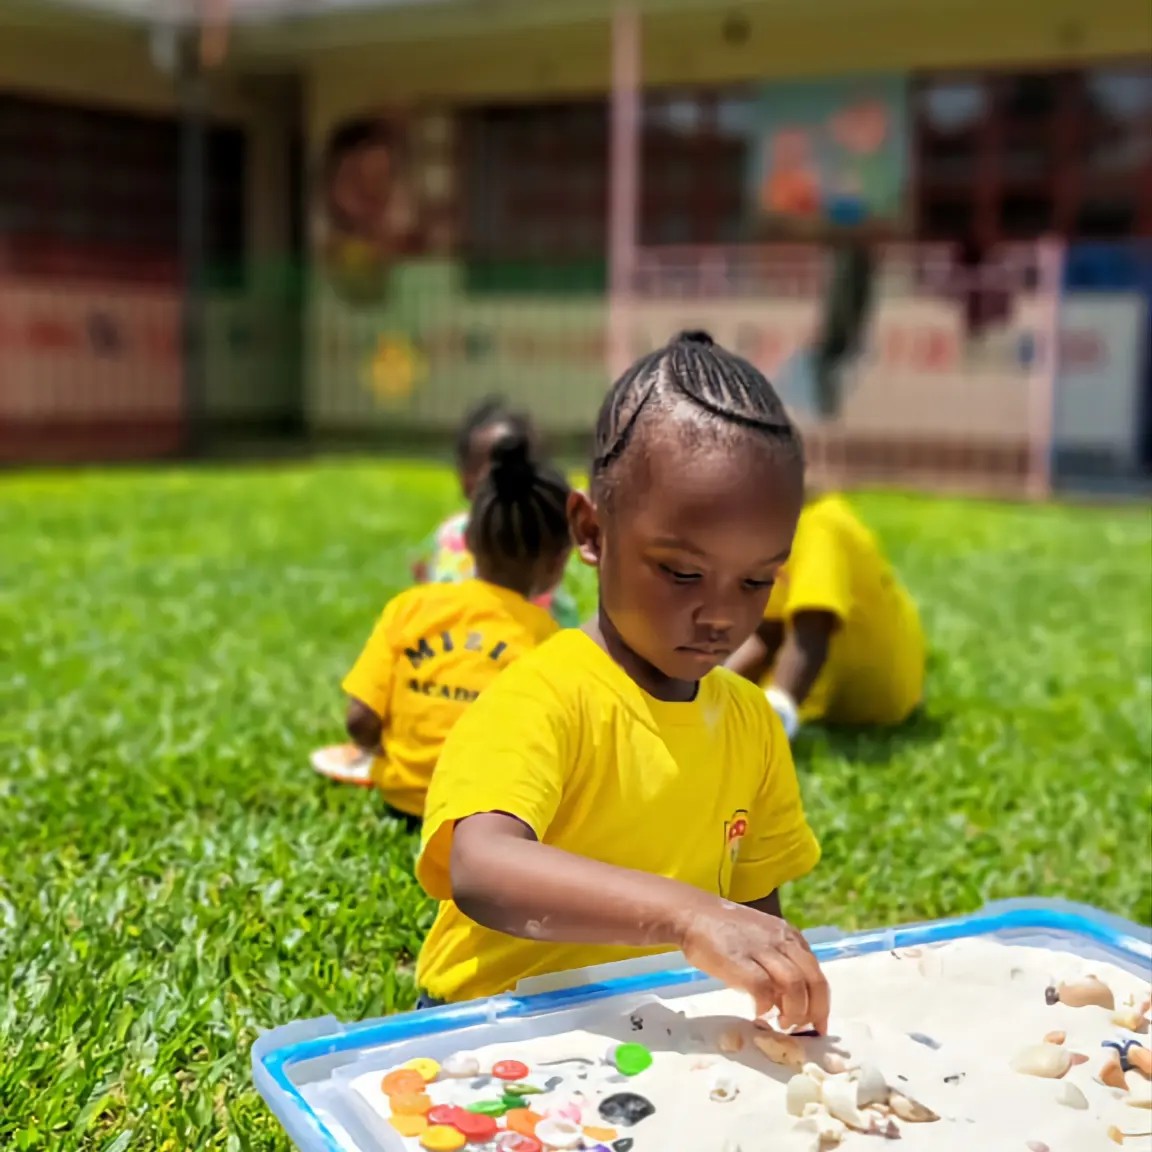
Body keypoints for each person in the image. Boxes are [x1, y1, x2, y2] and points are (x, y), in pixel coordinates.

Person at [413, 330, 828, 1032]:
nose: (722, 614)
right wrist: (688, 913)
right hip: (487, 1031)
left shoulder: (752, 723)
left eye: (758, 579)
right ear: (591, 531)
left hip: (646, 1030)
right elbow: (482, 869)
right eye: (683, 572)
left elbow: (753, 909)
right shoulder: (542, 696)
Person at [310, 397, 579, 786]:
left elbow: (359, 721)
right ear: (559, 561)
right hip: (494, 807)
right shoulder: (553, 642)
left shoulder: (408, 608)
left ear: (466, 540)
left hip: (404, 793)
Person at [726, 491, 924, 739]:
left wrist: (775, 714)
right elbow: (769, 634)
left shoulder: (820, 527)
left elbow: (813, 630)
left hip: (878, 702)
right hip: (834, 698)